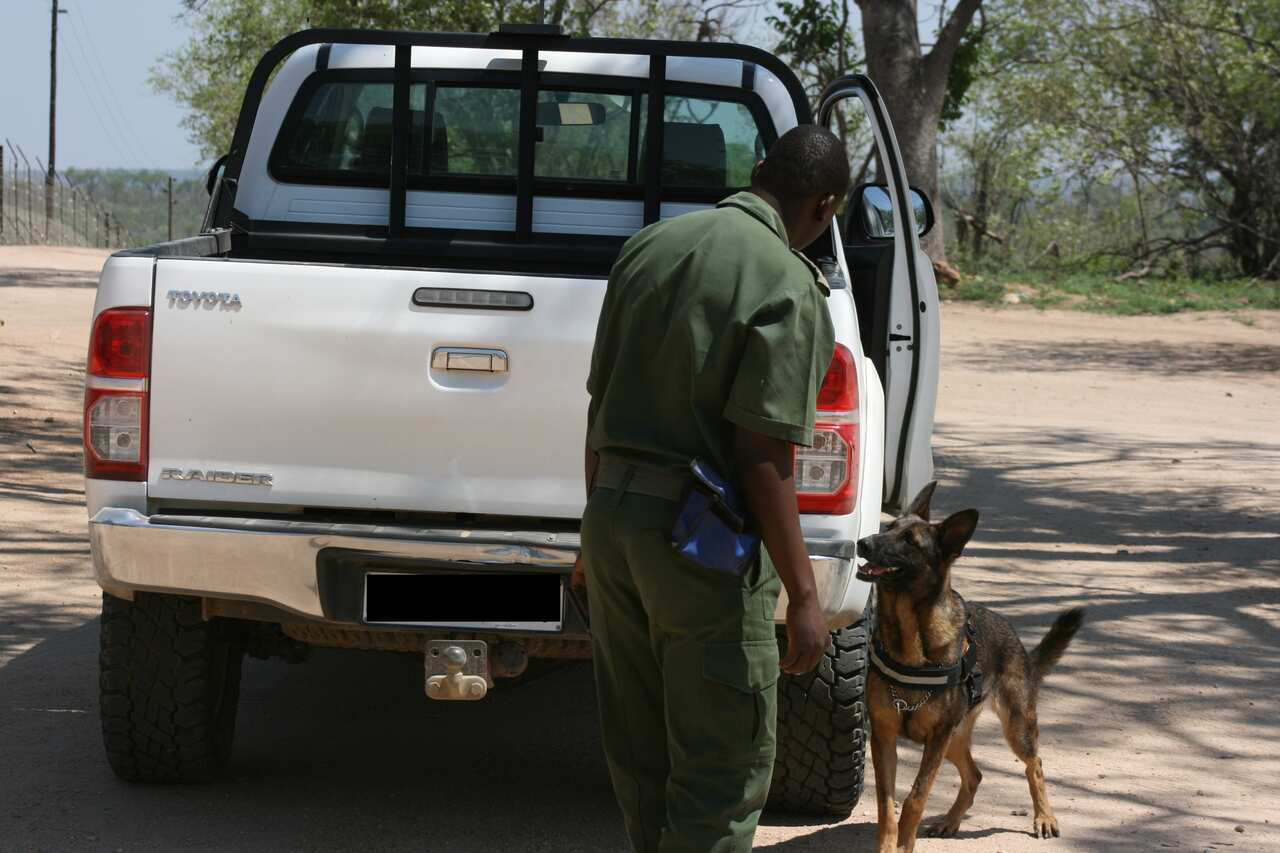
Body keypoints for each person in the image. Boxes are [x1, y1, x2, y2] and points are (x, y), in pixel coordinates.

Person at [575, 124, 852, 853]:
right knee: (722, 768)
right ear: (825, 206)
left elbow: (599, 408)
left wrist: (590, 536)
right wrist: (805, 596)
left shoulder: (649, 247)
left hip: (612, 527)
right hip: (698, 547)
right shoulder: (788, 283)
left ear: (758, 171)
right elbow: (763, 455)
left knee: (642, 754)